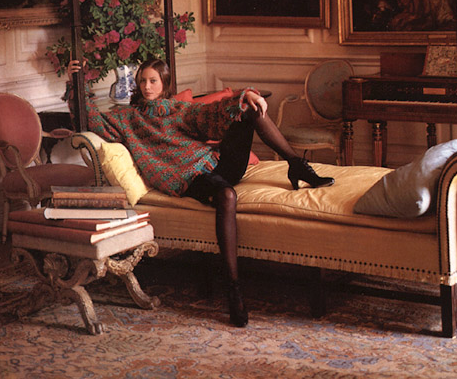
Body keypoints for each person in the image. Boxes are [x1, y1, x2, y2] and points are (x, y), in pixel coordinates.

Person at [67, 57, 334, 328]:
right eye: (143, 81)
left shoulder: (180, 110)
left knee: (250, 111)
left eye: (153, 81)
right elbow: (91, 119)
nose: (147, 87)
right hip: (191, 179)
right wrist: (76, 82)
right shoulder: (128, 118)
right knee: (227, 195)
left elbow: (215, 111)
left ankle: (296, 165)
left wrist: (247, 94)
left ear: (164, 84)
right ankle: (234, 289)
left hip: (219, 164)